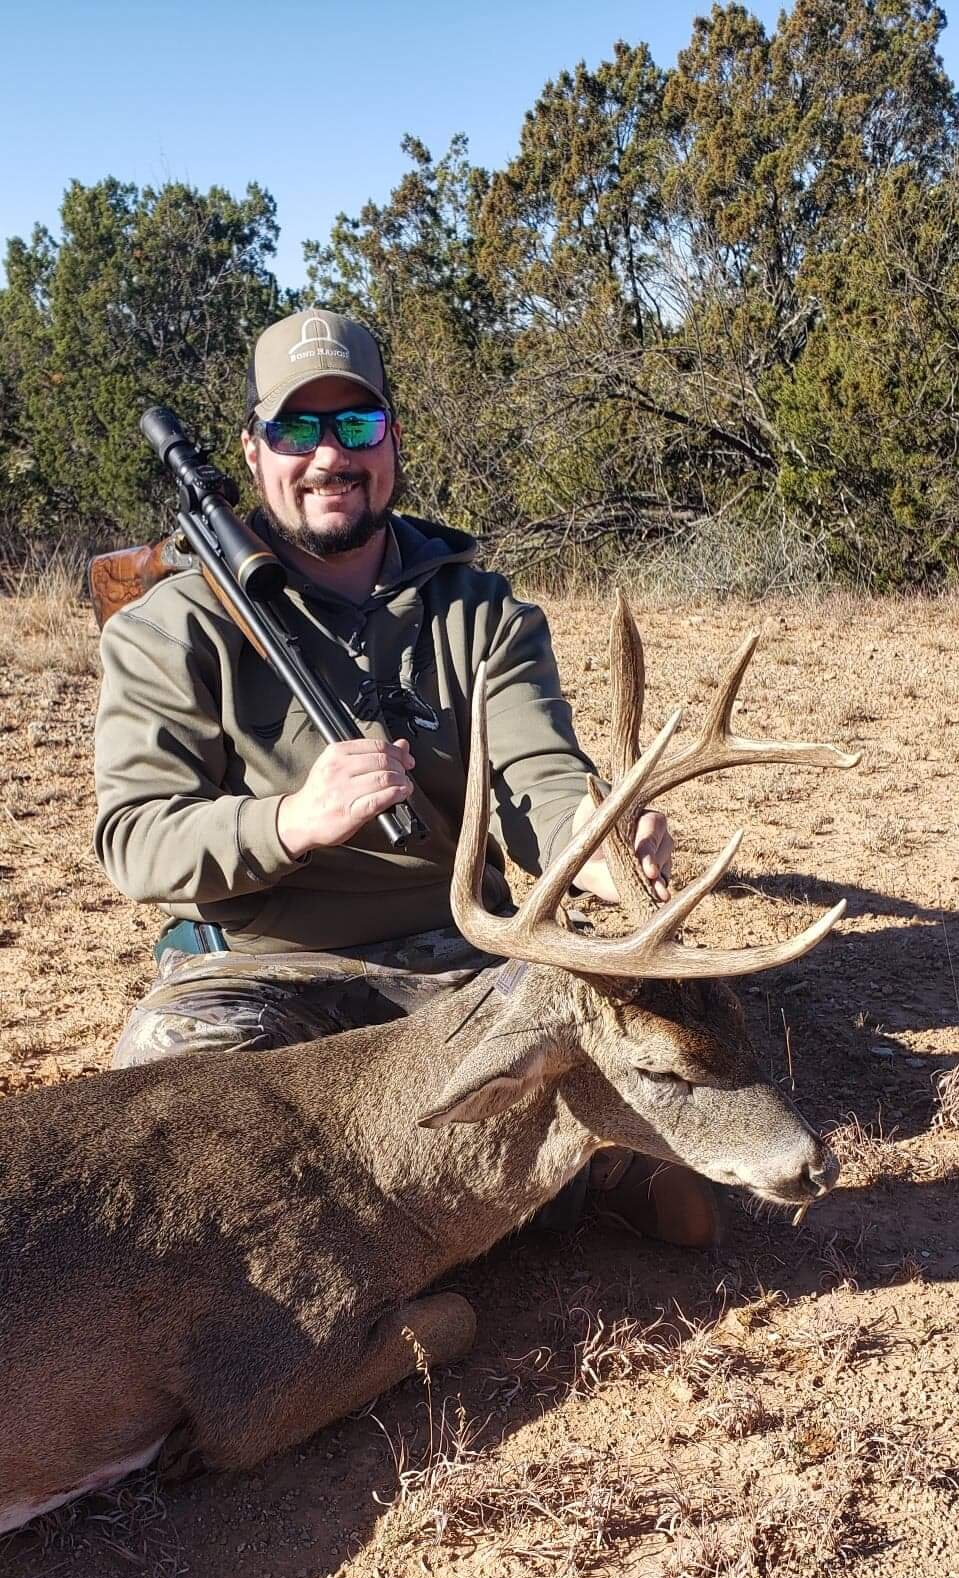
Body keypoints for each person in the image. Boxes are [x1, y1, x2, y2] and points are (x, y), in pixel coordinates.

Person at [94, 307, 717, 1244]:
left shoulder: (483, 614)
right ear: (253, 452)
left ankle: (526, 1187)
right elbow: (134, 840)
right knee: (168, 1090)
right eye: (297, 428)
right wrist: (292, 821)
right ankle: (545, 1194)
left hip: (463, 963)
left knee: (618, 1015)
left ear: (391, 439)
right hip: (265, 974)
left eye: (357, 425)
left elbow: (541, 776)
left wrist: (594, 843)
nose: (329, 456)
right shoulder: (171, 626)